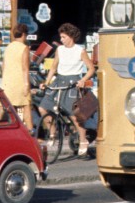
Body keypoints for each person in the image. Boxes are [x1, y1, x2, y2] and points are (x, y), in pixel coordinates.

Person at [37, 23, 96, 156]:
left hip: (73, 82)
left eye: (63, 37)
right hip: (59, 81)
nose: (61, 39)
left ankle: (83, 140)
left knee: (74, 115)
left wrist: (82, 80)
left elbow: (91, 68)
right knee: (43, 107)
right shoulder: (60, 50)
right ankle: (52, 133)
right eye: (61, 37)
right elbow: (53, 67)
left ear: (71, 37)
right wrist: (46, 82)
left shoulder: (80, 50)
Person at [1, 23, 32, 131]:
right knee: (26, 105)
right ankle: (30, 132)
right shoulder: (24, 48)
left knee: (3, 106)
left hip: (7, 80)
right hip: (19, 81)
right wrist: (27, 85)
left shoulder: (8, 47)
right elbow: (25, 68)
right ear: (24, 34)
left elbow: (3, 66)